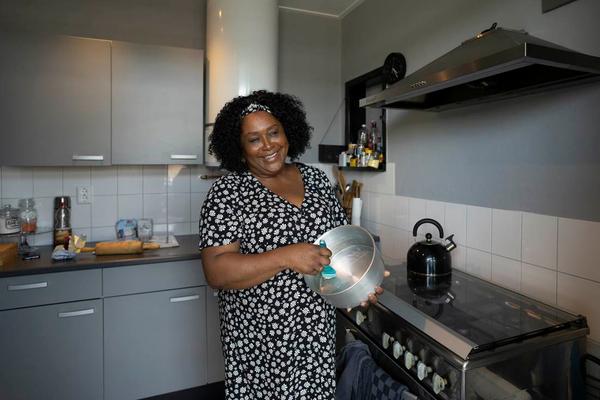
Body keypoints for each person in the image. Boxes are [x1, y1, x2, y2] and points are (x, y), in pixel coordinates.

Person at [199, 90, 383, 400]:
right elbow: (216, 270)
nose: (268, 145)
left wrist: (361, 282)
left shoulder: (315, 179)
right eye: (254, 139)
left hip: (315, 342)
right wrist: (286, 256)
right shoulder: (228, 192)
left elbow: (336, 249)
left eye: (273, 132)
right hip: (259, 348)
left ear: (287, 131)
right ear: (240, 148)